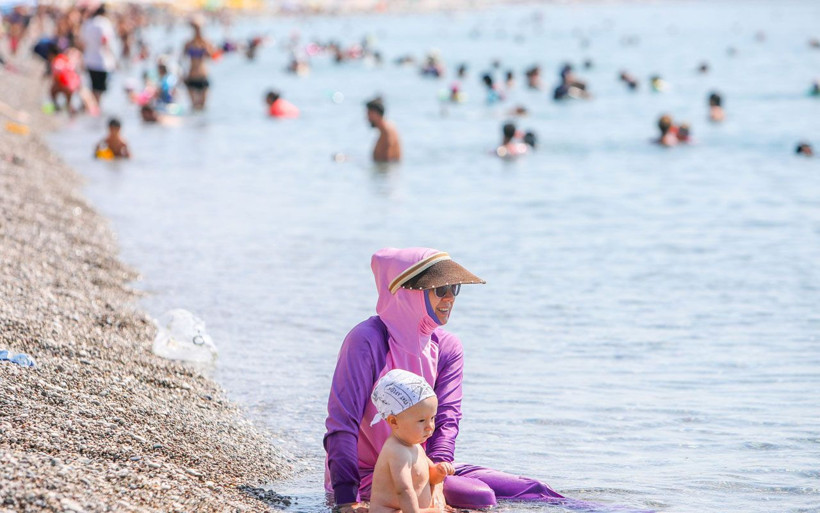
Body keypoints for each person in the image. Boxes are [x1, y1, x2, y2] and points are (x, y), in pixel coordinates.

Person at [324, 248, 565, 513]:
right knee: (480, 496)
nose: (450, 298)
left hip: (425, 465)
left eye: (454, 288)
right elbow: (342, 422)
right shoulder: (367, 341)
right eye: (440, 289)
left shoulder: (447, 346)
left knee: (534, 490)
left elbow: (447, 420)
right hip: (372, 477)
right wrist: (346, 500)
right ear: (406, 293)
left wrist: (437, 477)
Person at [369, 369, 455, 513]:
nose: (430, 426)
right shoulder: (396, 451)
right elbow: (404, 490)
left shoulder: (415, 446)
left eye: (432, 418)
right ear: (394, 421)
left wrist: (439, 471)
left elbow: (429, 478)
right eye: (421, 420)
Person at [80, 4, 117, 106]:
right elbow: (105, 41)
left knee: (92, 86)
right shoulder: (104, 23)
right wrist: (113, 57)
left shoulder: (87, 23)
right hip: (102, 61)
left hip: (89, 59)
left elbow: (82, 42)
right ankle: (96, 107)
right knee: (99, 89)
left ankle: (92, 107)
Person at [182, 15, 216, 111]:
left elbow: (213, 57)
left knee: (203, 108)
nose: (197, 31)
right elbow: (182, 60)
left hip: (203, 75)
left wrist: (206, 50)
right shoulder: (188, 43)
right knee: (194, 107)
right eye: (196, 29)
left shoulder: (206, 43)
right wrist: (183, 75)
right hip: (191, 76)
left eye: (199, 29)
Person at [366, 98, 401, 163]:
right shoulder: (389, 127)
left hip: (387, 168)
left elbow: (386, 161)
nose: (367, 118)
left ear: (376, 114)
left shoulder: (386, 132)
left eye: (369, 114)